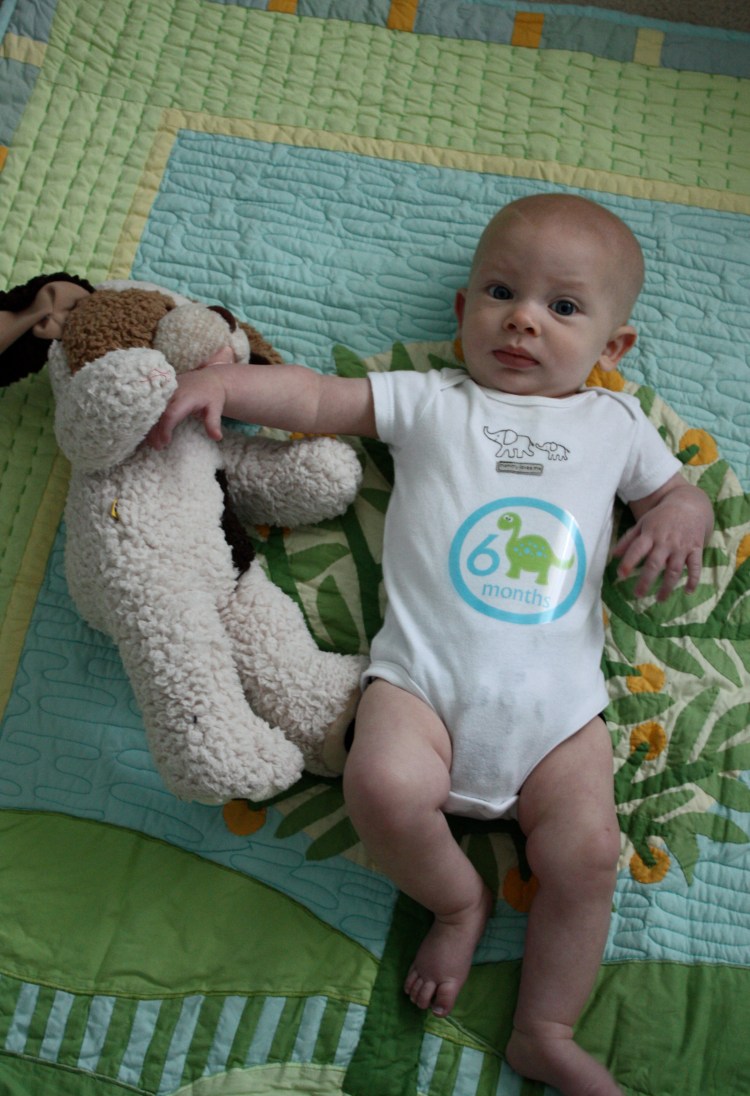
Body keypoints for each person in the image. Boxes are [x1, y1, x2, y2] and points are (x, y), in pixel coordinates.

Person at [148, 193, 713, 1095]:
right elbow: (319, 398)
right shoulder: (434, 401)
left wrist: (683, 513)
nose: (523, 319)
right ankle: (456, 902)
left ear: (613, 349)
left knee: (587, 857)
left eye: (564, 307)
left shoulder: (615, 427)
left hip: (561, 718)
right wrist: (227, 387)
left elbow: (676, 495)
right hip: (422, 690)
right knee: (379, 784)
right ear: (462, 312)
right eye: (501, 292)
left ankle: (544, 1029)